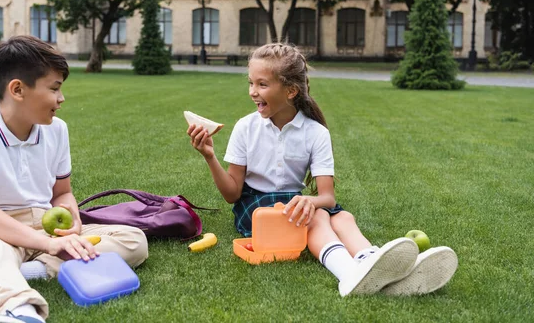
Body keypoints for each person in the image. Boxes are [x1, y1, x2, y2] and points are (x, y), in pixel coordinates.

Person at [187, 43, 457, 297]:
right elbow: (232, 194)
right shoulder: (246, 128)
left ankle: (370, 260)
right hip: (255, 210)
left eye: (262, 84)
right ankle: (349, 274)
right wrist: (209, 156)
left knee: (343, 218)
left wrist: (310, 200)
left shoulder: (315, 133)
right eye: (251, 83)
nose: (252, 92)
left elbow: (328, 198)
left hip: (295, 202)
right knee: (316, 218)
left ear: (291, 91)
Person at [0, 36, 148, 323]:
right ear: (17, 89)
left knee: (134, 239)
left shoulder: (57, 130)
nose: (61, 98)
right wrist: (49, 246)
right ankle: (21, 313)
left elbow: (62, 193)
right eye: (54, 88)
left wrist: (73, 220)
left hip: (47, 229)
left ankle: (18, 272)